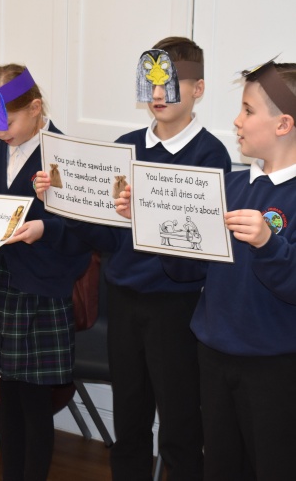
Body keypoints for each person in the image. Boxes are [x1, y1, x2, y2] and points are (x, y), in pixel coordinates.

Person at [36, 37, 232, 481]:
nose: (158, 95)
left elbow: (199, 250)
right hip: (124, 298)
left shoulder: (210, 155)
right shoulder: (125, 147)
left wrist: (149, 215)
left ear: (198, 88)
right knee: (129, 417)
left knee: (180, 421)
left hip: (176, 305)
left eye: (171, 84)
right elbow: (105, 237)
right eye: (151, 84)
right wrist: (64, 203)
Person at [154, 59, 296, 480]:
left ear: (283, 124)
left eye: (248, 111)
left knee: (273, 466)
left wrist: (269, 244)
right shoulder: (229, 187)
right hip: (214, 355)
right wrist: (160, 229)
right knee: (220, 464)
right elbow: (187, 272)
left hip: (275, 365)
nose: (236, 120)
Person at [0, 64, 90, 481]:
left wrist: (45, 229)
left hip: (43, 290)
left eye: (6, 121)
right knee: (9, 395)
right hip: (4, 284)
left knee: (35, 404)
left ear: (36, 108)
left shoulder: (63, 155)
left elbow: (82, 233)